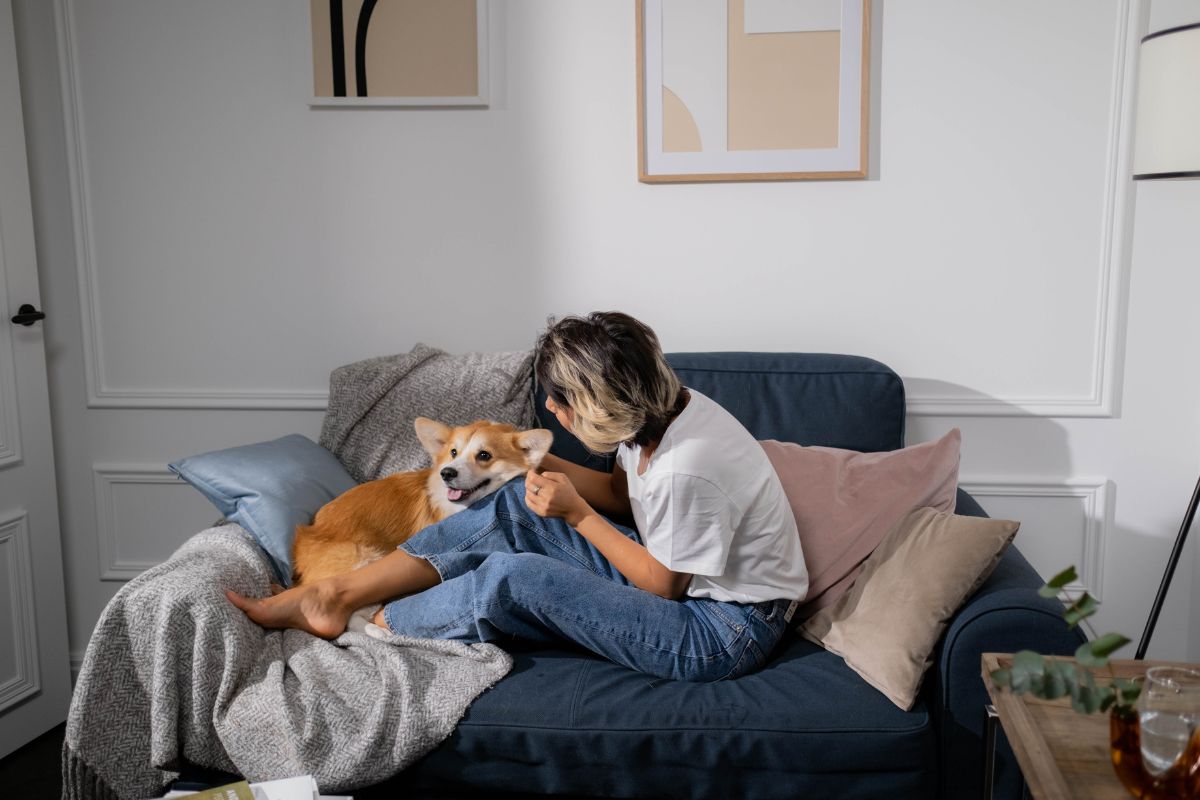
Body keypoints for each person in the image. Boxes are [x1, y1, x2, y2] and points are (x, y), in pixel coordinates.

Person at [227, 311, 808, 682]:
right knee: (510, 504)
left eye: (561, 403)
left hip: (719, 632)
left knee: (516, 577)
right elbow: (620, 496)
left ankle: (377, 621)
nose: (552, 411)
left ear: (601, 402)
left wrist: (575, 515)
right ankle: (333, 594)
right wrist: (517, 459)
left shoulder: (691, 466)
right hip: (685, 591)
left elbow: (664, 584)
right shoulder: (654, 414)